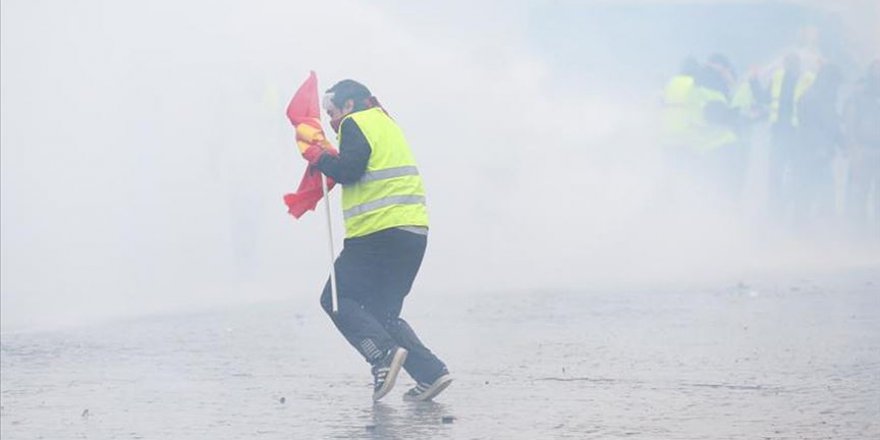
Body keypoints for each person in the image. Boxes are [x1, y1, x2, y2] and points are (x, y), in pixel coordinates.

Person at [300, 79, 452, 402]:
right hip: (412, 233)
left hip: (377, 233)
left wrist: (319, 157)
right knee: (382, 313)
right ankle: (430, 373)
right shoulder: (386, 123)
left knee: (336, 298)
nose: (331, 120)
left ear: (349, 105)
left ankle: (381, 355)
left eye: (332, 112)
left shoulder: (355, 122)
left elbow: (350, 170)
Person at [843, 60, 880, 238]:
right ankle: (860, 234)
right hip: (864, 150)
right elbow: (850, 122)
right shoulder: (859, 95)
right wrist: (854, 149)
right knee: (860, 194)